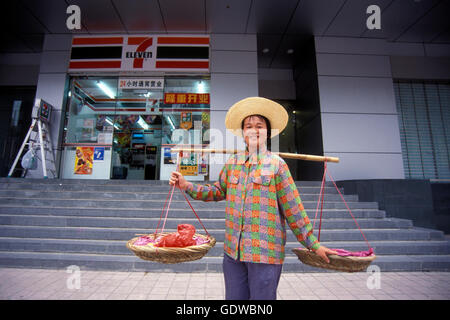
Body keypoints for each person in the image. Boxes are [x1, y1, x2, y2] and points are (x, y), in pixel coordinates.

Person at [169, 97, 338, 300]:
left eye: (259, 126)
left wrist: (313, 244)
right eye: (248, 126)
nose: (254, 130)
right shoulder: (233, 163)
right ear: (243, 133)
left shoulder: (277, 165)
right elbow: (216, 191)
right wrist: (186, 185)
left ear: (267, 132)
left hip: (265, 253)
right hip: (233, 252)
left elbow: (293, 209)